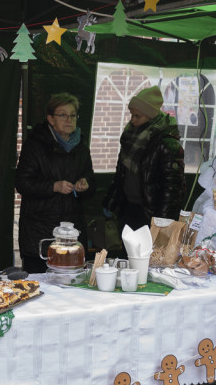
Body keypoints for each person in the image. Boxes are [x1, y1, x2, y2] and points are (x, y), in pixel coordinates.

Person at [15, 93, 95, 274]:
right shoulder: (35, 146)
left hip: (71, 232)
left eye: (73, 115)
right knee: (39, 286)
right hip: (40, 230)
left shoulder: (81, 147)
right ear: (50, 119)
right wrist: (53, 186)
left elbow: (91, 181)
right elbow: (22, 183)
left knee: (72, 285)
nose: (69, 120)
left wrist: (86, 184)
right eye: (63, 115)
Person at [103, 85, 186, 230]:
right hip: (128, 208)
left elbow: (172, 189)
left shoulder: (167, 144)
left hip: (150, 213)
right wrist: (111, 203)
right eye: (132, 114)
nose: (133, 120)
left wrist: (162, 222)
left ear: (151, 115)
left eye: (138, 116)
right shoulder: (129, 137)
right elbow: (120, 175)